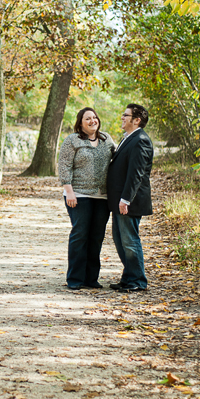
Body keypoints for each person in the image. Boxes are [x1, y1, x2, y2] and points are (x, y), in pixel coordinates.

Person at [58, 107, 116, 290]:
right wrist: (70, 191)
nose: (92, 121)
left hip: (102, 196)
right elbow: (64, 166)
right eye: (87, 119)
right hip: (79, 195)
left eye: (94, 117)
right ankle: (75, 279)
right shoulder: (72, 140)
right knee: (80, 234)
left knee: (96, 237)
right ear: (80, 123)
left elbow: (117, 161)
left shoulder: (106, 139)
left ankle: (91, 279)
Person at [106, 104, 153, 293]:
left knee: (130, 241)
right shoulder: (128, 138)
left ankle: (138, 281)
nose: (122, 117)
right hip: (120, 200)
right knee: (120, 240)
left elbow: (136, 174)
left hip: (129, 201)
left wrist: (126, 199)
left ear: (136, 120)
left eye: (126, 115)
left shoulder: (140, 140)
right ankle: (128, 277)